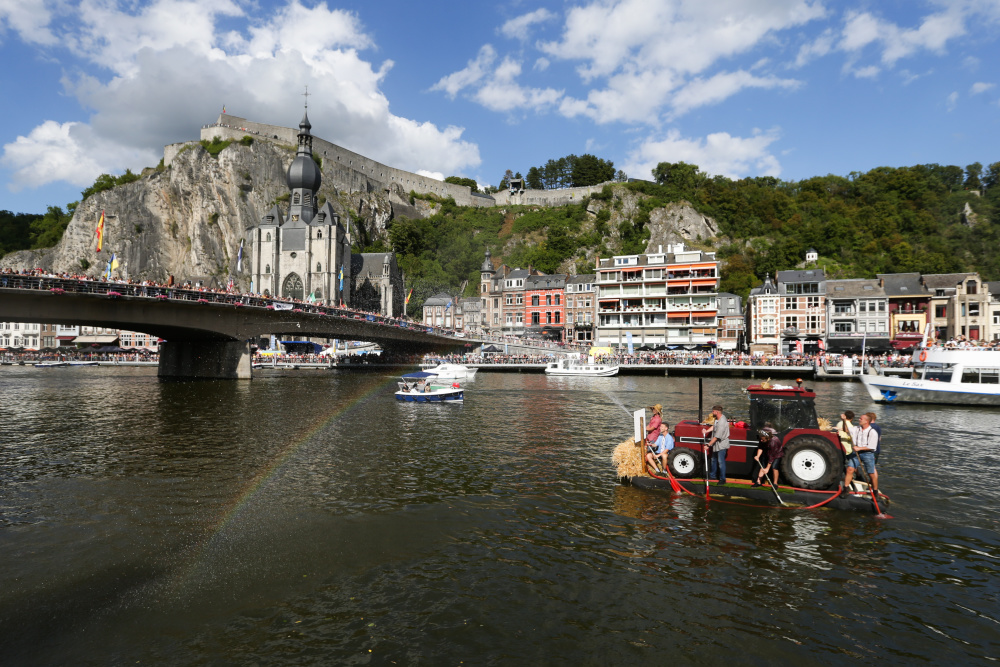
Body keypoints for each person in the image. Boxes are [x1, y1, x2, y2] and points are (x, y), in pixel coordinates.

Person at [702, 404, 730, 484]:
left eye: (713, 411)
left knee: (721, 462)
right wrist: (706, 431)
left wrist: (708, 445)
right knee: (713, 459)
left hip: (721, 444)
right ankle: (713, 475)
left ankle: (722, 479)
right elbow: (714, 426)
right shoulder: (718, 419)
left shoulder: (722, 422)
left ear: (717, 412)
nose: (712, 412)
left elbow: (717, 437)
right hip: (716, 445)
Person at [853, 413, 880, 494]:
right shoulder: (878, 427)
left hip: (870, 450)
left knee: (872, 470)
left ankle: (872, 486)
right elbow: (880, 438)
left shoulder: (872, 428)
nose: (859, 420)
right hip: (876, 449)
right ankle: (871, 485)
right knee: (872, 469)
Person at [837, 411, 860, 491]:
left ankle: (843, 477)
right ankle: (856, 478)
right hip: (848, 447)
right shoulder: (850, 425)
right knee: (853, 463)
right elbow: (851, 438)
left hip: (840, 446)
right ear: (852, 418)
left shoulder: (839, 423)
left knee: (842, 463)